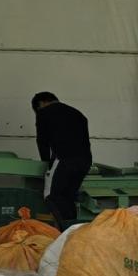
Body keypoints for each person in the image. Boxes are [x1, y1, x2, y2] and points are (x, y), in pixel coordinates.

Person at [33, 91, 93, 230]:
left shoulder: (44, 113)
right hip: (84, 161)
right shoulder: (78, 114)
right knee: (68, 197)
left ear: (41, 103)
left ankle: (64, 231)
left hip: (64, 160)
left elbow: (42, 142)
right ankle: (73, 230)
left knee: (51, 196)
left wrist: (46, 163)